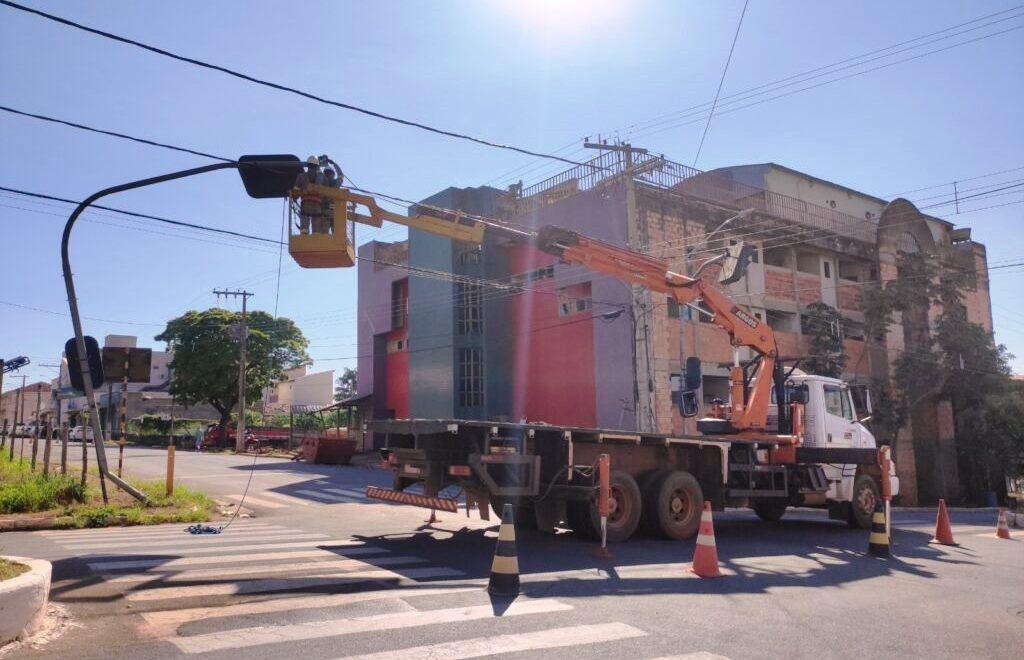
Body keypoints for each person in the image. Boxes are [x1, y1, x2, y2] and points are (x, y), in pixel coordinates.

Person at [294, 156, 323, 234]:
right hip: (317, 205)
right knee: (316, 229)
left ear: (307, 165)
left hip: (305, 204)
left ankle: (304, 234)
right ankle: (315, 236)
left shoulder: (301, 176)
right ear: (317, 166)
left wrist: (294, 197)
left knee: (304, 228)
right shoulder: (320, 177)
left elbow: (295, 192)